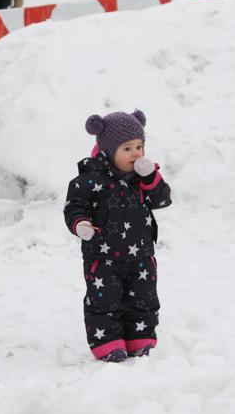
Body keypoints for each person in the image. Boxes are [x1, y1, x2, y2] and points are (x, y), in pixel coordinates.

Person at [63, 109, 172, 362]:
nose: (136, 154)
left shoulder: (144, 177)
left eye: (139, 146)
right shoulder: (90, 180)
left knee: (143, 297)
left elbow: (163, 199)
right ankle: (108, 341)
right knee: (104, 300)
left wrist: (152, 178)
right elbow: (74, 207)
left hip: (141, 254)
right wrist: (80, 223)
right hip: (102, 256)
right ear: (108, 151)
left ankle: (140, 337)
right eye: (127, 149)